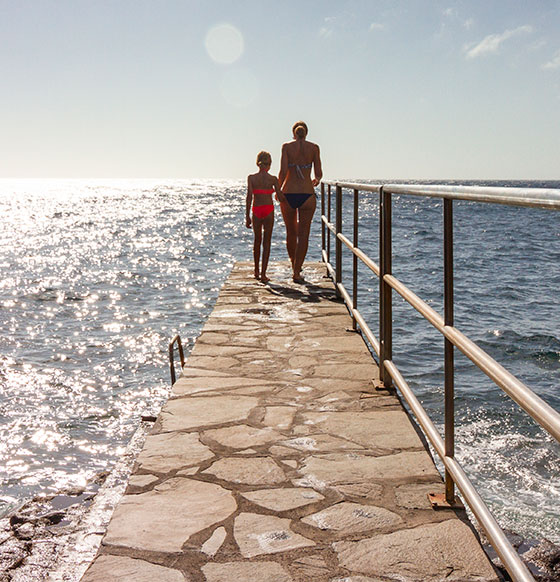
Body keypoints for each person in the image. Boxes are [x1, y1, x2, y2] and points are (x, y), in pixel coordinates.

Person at [278, 121, 323, 282]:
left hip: (289, 193)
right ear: (306, 133)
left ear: (293, 133)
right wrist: (316, 180)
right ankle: (297, 271)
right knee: (304, 235)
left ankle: (293, 263)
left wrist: (277, 190)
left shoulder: (286, 147)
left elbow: (283, 171)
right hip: (307, 195)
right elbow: (318, 173)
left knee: (291, 231)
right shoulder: (314, 148)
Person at [246, 151, 284, 283]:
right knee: (266, 242)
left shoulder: (251, 178)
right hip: (268, 210)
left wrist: (247, 216)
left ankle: (256, 271)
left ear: (258, 163)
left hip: (256, 210)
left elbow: (249, 197)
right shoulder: (273, 179)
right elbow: (280, 197)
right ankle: (263, 274)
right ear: (269, 164)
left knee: (257, 241)